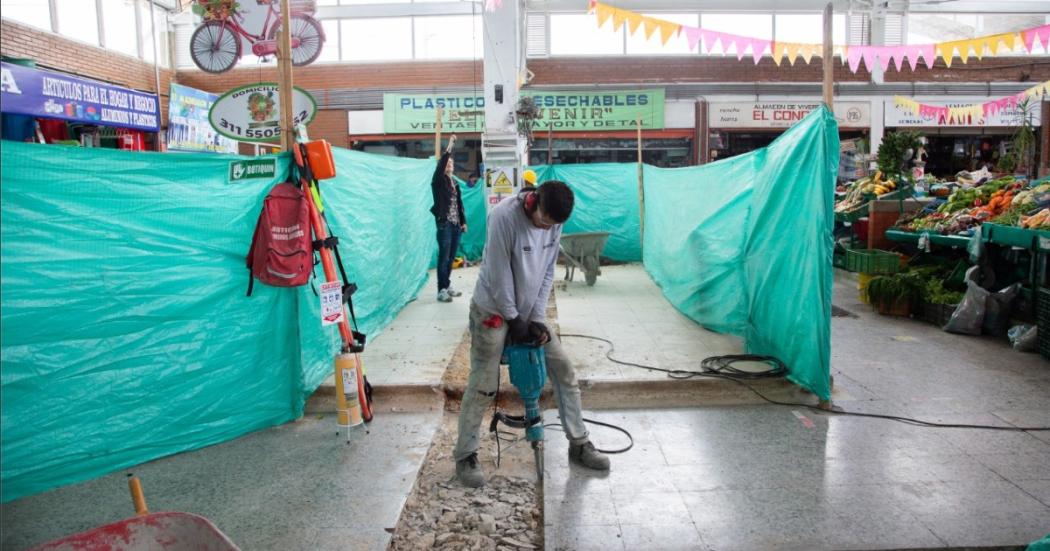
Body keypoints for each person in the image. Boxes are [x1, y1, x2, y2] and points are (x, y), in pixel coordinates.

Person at [453, 180, 610, 488]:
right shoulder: (503, 217)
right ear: (532, 201)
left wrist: (536, 318)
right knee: (484, 382)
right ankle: (465, 455)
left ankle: (579, 443)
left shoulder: (554, 222)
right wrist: (513, 319)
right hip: (493, 310)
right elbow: (497, 273)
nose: (546, 228)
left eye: (552, 225)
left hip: (527, 312)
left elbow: (549, 268)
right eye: (543, 221)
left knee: (564, 371)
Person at [431, 135, 467, 303]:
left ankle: (447, 285)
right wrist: (451, 144)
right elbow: (443, 161)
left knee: (451, 258)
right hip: (444, 224)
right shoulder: (438, 181)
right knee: (444, 257)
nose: (450, 164)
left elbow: (459, 204)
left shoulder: (455, 183)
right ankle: (441, 290)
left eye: (452, 163)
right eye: (447, 163)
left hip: (455, 225)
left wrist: (463, 222)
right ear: (442, 167)